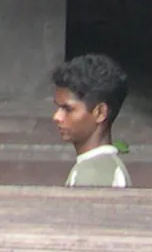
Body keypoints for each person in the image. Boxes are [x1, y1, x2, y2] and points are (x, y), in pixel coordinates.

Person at [51, 53, 131, 187]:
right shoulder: (106, 167)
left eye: (68, 109)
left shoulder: (93, 176)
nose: (56, 117)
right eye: (58, 108)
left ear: (100, 112)